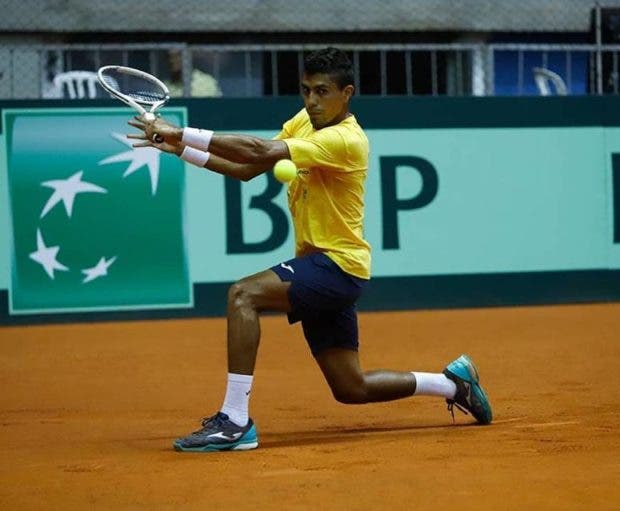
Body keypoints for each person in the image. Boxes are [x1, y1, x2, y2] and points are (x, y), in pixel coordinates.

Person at [128, 47, 492, 452]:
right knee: (351, 387)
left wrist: (182, 131)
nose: (312, 102)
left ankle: (234, 420)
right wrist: (180, 148)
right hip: (321, 266)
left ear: (346, 93)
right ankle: (450, 383)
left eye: (322, 92)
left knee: (242, 295)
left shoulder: (346, 140)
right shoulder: (305, 120)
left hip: (337, 267)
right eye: (305, 91)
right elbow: (249, 169)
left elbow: (260, 152)